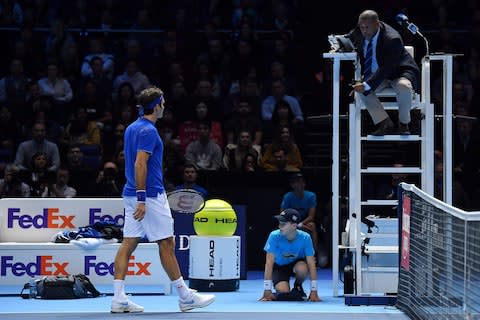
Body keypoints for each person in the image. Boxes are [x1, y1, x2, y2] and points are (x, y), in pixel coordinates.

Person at [111, 86, 215, 313]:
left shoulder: (131, 128)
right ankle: (185, 297)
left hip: (131, 193)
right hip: (147, 196)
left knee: (128, 244)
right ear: (157, 105)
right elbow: (140, 164)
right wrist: (142, 198)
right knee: (166, 243)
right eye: (163, 102)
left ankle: (118, 299)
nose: (165, 106)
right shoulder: (148, 131)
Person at [349, 10, 420, 135]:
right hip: (378, 75)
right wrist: (337, 44)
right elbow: (349, 37)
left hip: (399, 72)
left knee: (403, 87)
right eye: (361, 27)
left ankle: (404, 123)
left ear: (377, 24)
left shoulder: (392, 38)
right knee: (360, 90)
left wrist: (366, 84)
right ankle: (385, 122)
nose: (364, 30)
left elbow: (387, 68)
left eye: (366, 27)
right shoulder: (360, 29)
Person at [260, 209, 320, 302]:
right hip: (279, 267)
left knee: (302, 268)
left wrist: (314, 291)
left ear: (294, 226)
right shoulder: (274, 236)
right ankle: (285, 290)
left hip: (296, 264)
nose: (279, 226)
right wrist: (267, 289)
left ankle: (298, 286)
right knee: (284, 291)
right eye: (279, 223)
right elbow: (269, 263)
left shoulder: (305, 237)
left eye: (283, 224)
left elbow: (312, 264)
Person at [280, 173, 319, 255]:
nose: (300, 184)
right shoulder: (287, 197)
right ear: (292, 185)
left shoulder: (311, 196)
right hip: (290, 222)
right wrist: (293, 224)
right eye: (297, 182)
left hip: (304, 221)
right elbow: (282, 215)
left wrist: (301, 224)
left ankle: (314, 255)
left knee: (312, 225)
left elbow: (311, 216)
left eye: (302, 182)